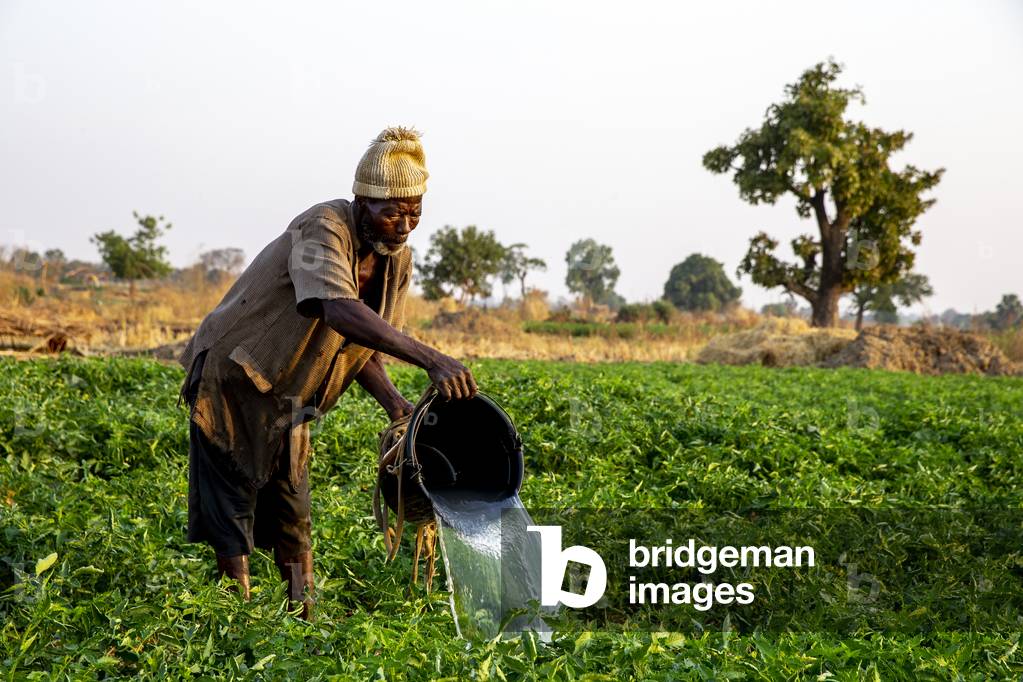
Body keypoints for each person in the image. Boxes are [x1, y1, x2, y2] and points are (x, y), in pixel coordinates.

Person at [177, 126, 477, 621]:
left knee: (293, 513)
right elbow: (339, 312)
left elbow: (365, 340)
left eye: (415, 213)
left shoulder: (395, 261)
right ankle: (236, 621)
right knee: (233, 509)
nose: (404, 225)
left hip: (290, 394)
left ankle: (304, 616)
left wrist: (397, 405)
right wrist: (432, 359)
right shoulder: (323, 227)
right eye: (392, 212)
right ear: (362, 201)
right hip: (234, 379)